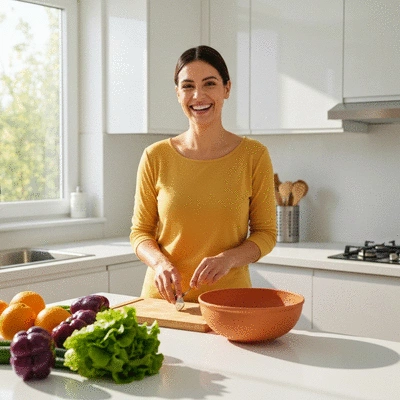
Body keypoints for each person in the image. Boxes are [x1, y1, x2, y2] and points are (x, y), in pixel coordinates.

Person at [130, 45, 276, 304]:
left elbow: (265, 234)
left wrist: (227, 259)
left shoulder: (254, 156)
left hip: (230, 301)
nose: (198, 95)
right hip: (163, 302)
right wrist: (160, 263)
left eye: (209, 84)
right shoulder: (155, 156)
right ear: (177, 93)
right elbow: (140, 233)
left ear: (226, 89)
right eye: (187, 86)